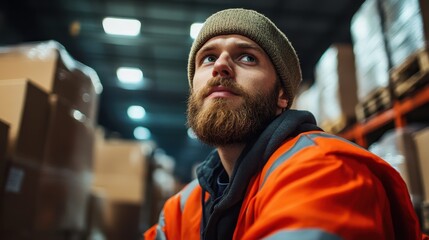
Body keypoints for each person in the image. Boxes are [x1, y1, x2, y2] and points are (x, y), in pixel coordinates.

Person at [144, 8, 428, 240]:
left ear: (282, 95)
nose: (221, 65)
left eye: (247, 57)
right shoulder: (182, 209)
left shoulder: (325, 170)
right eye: (208, 57)